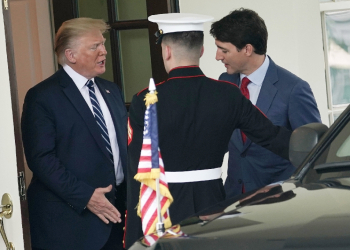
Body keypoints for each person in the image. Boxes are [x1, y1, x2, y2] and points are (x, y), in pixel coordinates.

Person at [125, 13, 293, 248]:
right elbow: (274, 138)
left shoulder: (146, 99)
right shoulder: (228, 94)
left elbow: (138, 174)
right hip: (213, 205)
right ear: (202, 51)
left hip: (165, 212)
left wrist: (133, 235)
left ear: (167, 51)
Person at [21, 18, 127, 250]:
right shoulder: (43, 97)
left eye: (103, 44)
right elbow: (41, 159)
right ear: (71, 55)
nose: (104, 51)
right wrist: (86, 196)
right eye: (95, 46)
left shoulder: (112, 90)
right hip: (69, 225)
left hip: (115, 220)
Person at [210, 8, 321, 199]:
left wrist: (282, 187)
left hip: (280, 203)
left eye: (224, 50)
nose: (218, 56)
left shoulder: (294, 89)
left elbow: (312, 154)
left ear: (247, 49)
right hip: (232, 201)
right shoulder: (224, 83)